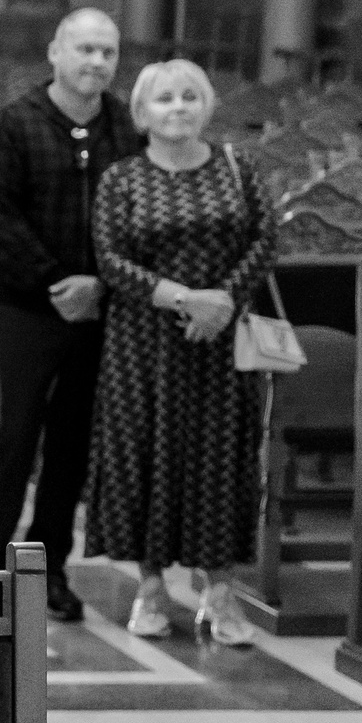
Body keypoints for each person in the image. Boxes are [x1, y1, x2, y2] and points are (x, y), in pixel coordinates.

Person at [87, 60, 278, 647]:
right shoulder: (122, 178)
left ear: (207, 106)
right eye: (165, 98)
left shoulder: (235, 167)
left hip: (220, 345)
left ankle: (219, 591)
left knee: (221, 462)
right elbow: (109, 256)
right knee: (146, 456)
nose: (178, 107)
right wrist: (180, 298)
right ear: (142, 113)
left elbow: (265, 236)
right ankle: (150, 587)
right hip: (143, 342)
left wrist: (220, 301)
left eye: (190, 97)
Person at [0, 8, 143, 621]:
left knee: (74, 443)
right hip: (30, 307)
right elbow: (1, 217)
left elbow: (136, 211)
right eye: (85, 49)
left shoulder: (126, 126)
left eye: (108, 52)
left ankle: (48, 566)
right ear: (55, 52)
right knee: (15, 435)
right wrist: (55, 282)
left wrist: (100, 283)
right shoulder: (14, 124)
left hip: (103, 309)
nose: (96, 62)